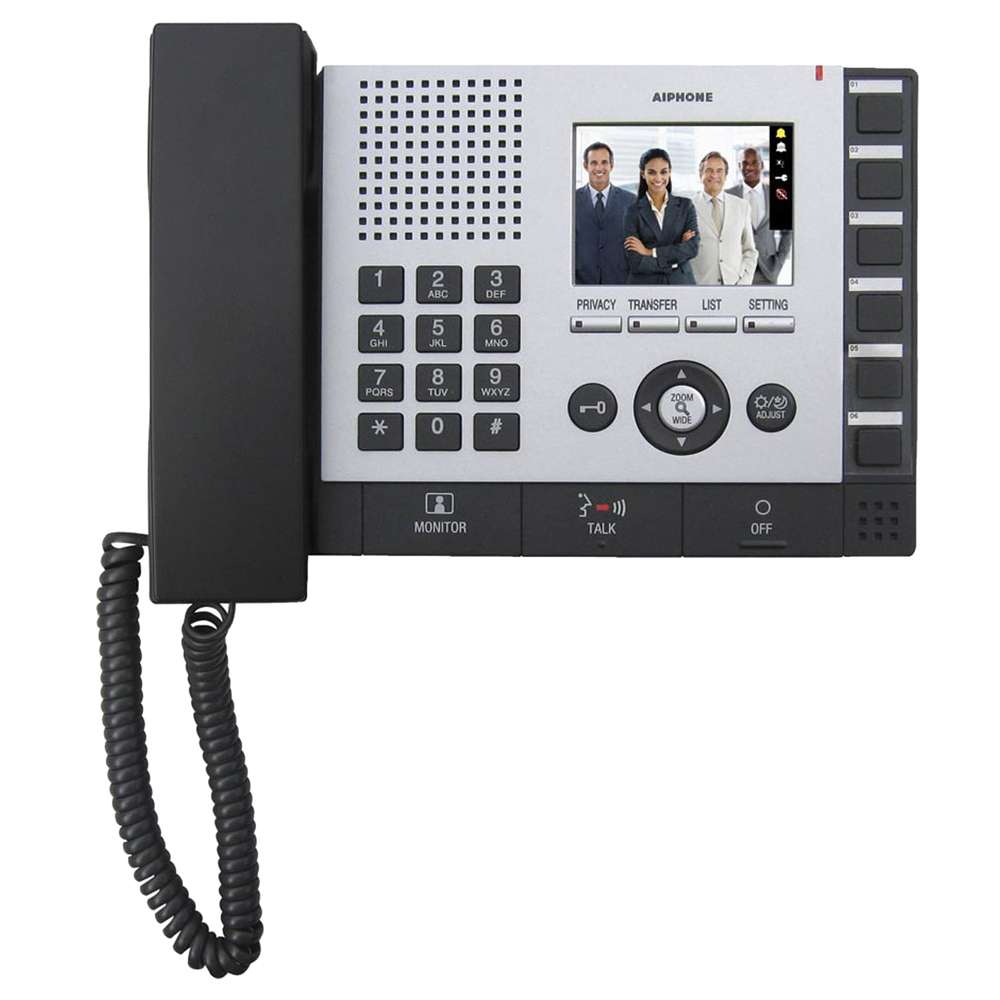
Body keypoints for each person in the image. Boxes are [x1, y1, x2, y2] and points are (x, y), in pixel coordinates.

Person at [622, 148, 699, 285]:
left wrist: (649, 252)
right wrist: (676, 260)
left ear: (670, 172)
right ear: (643, 174)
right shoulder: (632, 212)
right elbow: (635, 262)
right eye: (652, 172)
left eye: (663, 172)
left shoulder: (686, 206)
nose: (658, 178)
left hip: (680, 284)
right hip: (646, 286)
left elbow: (692, 248)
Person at [725, 146, 792, 284]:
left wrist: (778, 263)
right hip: (738, 271)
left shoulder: (778, 194)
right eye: (745, 163)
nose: (749, 167)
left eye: (754, 162)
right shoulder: (728, 195)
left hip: (768, 271)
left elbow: (787, 232)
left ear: (762, 165)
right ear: (739, 166)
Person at [691, 151, 758, 285]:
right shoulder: (688, 207)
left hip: (734, 286)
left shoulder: (742, 206)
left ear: (726, 175)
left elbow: (749, 251)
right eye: (709, 170)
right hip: (699, 286)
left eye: (719, 171)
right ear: (700, 174)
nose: (714, 175)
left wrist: (744, 282)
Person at [575, 142, 635, 284]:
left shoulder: (630, 201)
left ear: (611, 165)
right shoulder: (571, 200)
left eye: (604, 162)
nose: (599, 168)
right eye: (594, 163)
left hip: (619, 283)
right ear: (585, 166)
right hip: (581, 283)